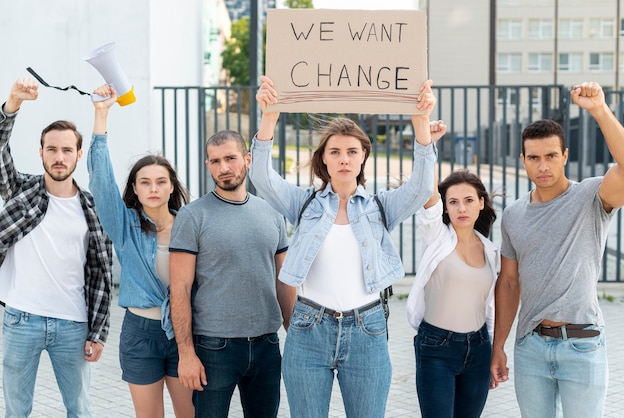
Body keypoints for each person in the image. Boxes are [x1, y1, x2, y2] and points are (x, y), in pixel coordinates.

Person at [250, 75, 438, 418]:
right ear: (324, 158)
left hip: (367, 330)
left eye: (352, 151)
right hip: (309, 329)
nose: (344, 159)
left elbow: (422, 185)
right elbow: (262, 178)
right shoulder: (304, 204)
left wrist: (420, 121)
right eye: (335, 151)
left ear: (364, 156)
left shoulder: (380, 207)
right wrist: (269, 116)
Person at [490, 82, 624, 418]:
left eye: (551, 156)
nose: (543, 166)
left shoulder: (591, 196)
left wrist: (599, 110)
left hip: (582, 345)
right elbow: (508, 283)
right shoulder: (514, 214)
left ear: (565, 155)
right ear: (523, 160)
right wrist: (498, 347)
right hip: (531, 347)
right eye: (534, 158)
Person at [0, 77, 112, 416]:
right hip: (21, 320)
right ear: (41, 153)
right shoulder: (23, 192)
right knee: (16, 410)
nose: (59, 157)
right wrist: (12, 107)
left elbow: (101, 277)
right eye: (52, 149)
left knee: (79, 410)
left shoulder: (93, 209)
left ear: (78, 154)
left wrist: (99, 332)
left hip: (73, 325)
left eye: (67, 150)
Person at [169, 129, 296, 418]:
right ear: (208, 166)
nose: (224, 168)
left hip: (267, 345)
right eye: (215, 161)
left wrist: (296, 340)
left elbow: (284, 284)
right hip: (214, 348)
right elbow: (179, 288)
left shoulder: (272, 214)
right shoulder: (193, 216)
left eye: (230, 158)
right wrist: (186, 354)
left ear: (247, 159)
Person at [86, 85, 194, 418]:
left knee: (190, 414)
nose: (153, 188)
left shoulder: (191, 225)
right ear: (134, 188)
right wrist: (101, 115)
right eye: (144, 182)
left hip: (185, 333)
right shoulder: (125, 226)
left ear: (171, 186)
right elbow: (101, 181)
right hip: (140, 333)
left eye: (160, 181)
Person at [407, 163, 500, 418]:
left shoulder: (490, 251)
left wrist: (493, 351)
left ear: (481, 203)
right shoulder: (436, 237)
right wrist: (429, 147)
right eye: (453, 202)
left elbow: (488, 307)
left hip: (479, 348)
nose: (461, 208)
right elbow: (429, 198)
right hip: (437, 348)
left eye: (469, 200)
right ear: (445, 207)